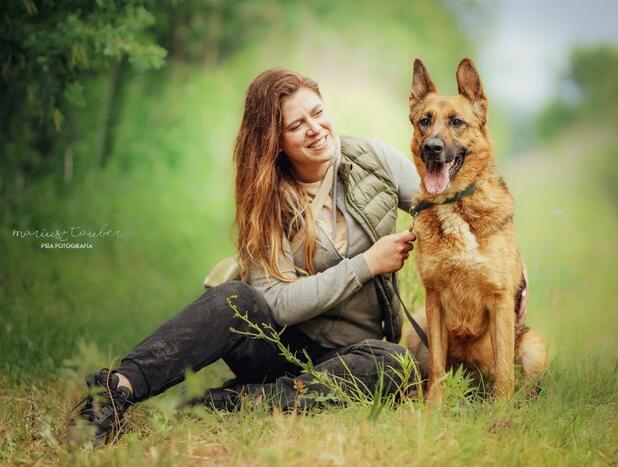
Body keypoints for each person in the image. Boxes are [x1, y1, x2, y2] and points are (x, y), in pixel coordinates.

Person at [64, 68, 421, 446]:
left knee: (395, 364)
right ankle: (113, 392)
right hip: (280, 345)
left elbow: (440, 207)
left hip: (354, 351)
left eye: (317, 113)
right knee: (235, 299)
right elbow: (279, 305)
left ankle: (245, 399)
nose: (315, 129)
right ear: (276, 140)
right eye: (297, 125)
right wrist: (366, 264)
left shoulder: (375, 161)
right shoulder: (267, 198)